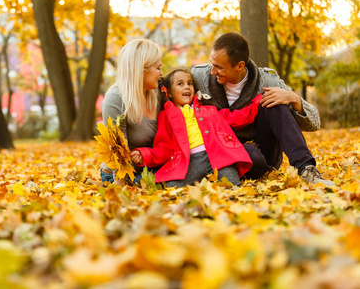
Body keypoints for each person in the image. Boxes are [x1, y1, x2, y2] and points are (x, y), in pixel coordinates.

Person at [191, 32, 334, 186]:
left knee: (273, 101)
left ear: (239, 66)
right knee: (247, 155)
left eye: (219, 67)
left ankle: (307, 169)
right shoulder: (199, 77)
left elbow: (314, 123)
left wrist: (294, 98)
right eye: (212, 64)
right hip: (218, 154)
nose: (212, 71)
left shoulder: (268, 81)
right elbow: (172, 89)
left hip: (260, 154)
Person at [130, 68, 262, 187]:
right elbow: (163, 148)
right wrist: (144, 154)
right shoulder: (166, 115)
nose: (187, 87)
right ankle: (133, 180)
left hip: (219, 157)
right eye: (180, 84)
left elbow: (236, 118)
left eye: (190, 83)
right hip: (189, 162)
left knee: (232, 185)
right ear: (169, 92)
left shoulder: (208, 109)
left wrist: (257, 102)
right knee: (170, 187)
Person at [100, 38, 163, 184]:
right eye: (158, 68)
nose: (161, 73)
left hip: (152, 166)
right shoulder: (116, 99)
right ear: (141, 69)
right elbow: (118, 153)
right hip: (124, 172)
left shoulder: (159, 92)